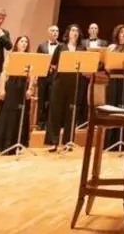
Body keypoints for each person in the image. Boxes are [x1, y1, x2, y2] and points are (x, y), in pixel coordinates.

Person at [0, 36, 35, 155]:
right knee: (8, 114)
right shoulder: (11, 55)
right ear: (16, 43)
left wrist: (30, 89)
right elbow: (4, 73)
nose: (24, 43)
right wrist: (2, 89)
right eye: (22, 41)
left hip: (23, 86)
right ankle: (5, 144)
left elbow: (33, 75)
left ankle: (17, 145)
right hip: (12, 86)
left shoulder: (30, 57)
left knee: (21, 114)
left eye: (26, 41)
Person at [46, 24, 82, 153]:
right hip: (60, 81)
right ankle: (53, 142)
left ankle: (68, 141)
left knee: (71, 112)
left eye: (77, 31)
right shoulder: (61, 47)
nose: (75, 33)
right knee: (55, 111)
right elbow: (53, 64)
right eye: (73, 30)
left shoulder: (81, 48)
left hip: (74, 83)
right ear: (68, 33)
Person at [35, 25, 61, 130]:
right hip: (43, 76)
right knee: (42, 99)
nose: (55, 33)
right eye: (53, 31)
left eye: (57, 31)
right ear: (48, 32)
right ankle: (40, 123)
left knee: (53, 100)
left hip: (55, 77)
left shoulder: (61, 46)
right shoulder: (41, 46)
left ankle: (50, 123)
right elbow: (38, 61)